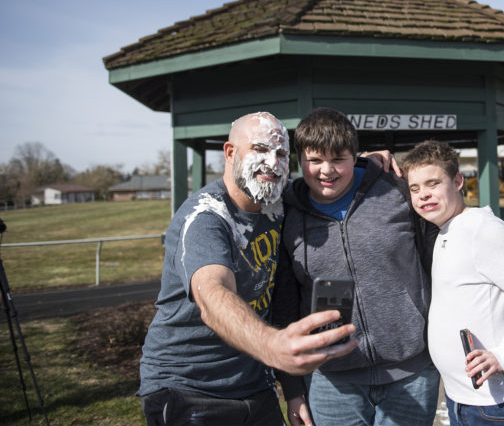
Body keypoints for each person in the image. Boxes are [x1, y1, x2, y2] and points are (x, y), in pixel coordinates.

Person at [138, 112, 357, 426]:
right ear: (230, 153)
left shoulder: (277, 203)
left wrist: (370, 163)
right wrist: (271, 345)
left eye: (281, 154)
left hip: (254, 384)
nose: (271, 162)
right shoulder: (206, 217)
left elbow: (332, 173)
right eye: (259, 149)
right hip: (188, 388)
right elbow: (212, 293)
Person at [273, 107, 439, 426]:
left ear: (355, 156)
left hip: (412, 372)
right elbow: (285, 304)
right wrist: (293, 389)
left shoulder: (396, 189)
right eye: (316, 160)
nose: (327, 171)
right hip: (332, 381)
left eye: (338, 159)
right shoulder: (285, 215)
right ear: (299, 161)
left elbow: (443, 247)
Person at [401, 140, 504, 426]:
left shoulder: (481, 229)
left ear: (458, 181)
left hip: (495, 404)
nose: (424, 195)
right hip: (463, 398)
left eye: (433, 183)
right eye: (415, 188)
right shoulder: (446, 231)